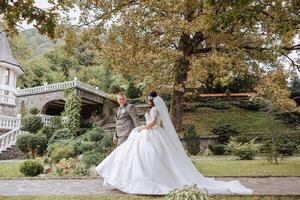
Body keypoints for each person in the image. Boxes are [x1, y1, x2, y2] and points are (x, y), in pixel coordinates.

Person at [95, 91, 253, 195]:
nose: (147, 100)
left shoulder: (153, 110)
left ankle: (145, 178)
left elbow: (151, 124)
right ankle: (124, 177)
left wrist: (140, 129)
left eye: (149, 99)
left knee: (148, 156)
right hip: (145, 132)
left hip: (152, 133)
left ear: (152, 100)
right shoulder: (144, 109)